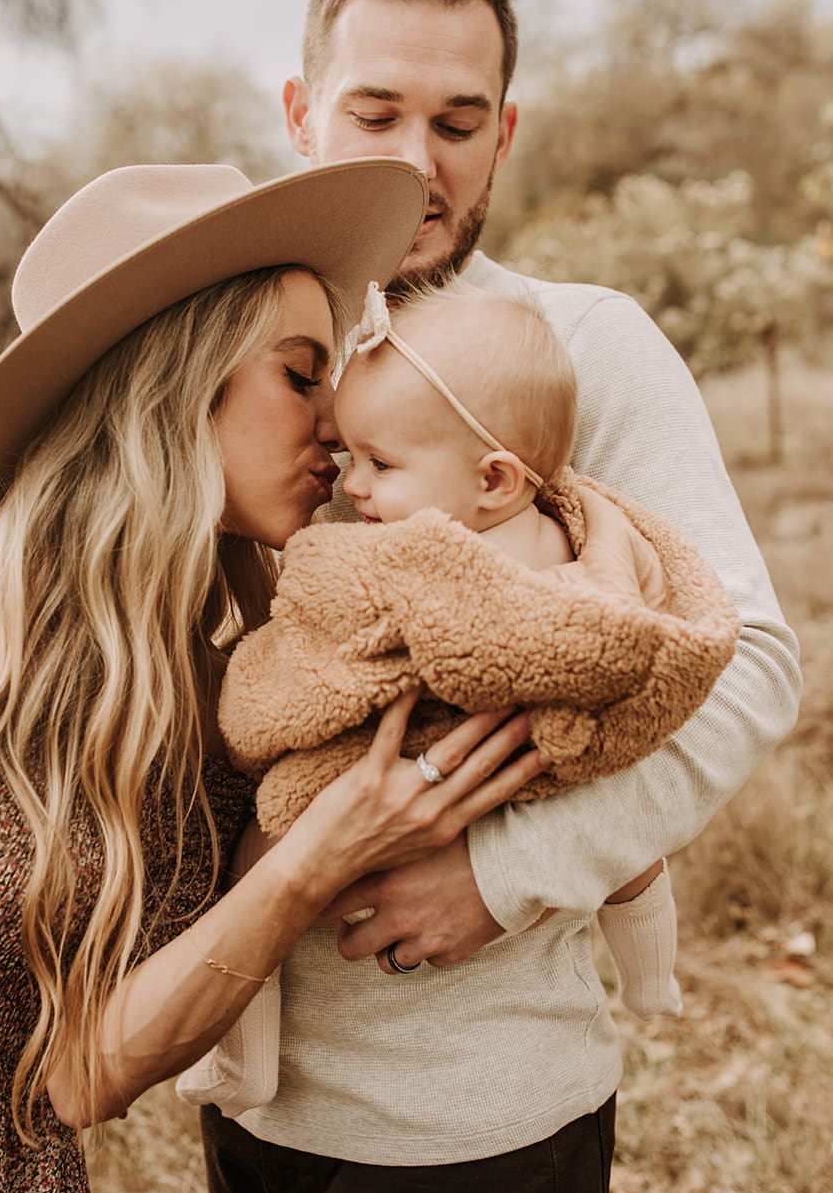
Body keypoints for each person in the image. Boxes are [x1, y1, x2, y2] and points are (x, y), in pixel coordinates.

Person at [0, 157, 550, 1193]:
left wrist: (305, 864)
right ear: (174, 374)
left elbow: (82, 1077)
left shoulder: (221, 718)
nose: (334, 424)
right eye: (298, 375)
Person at [198, 0, 802, 1193]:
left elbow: (752, 663)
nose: (416, 158)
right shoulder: (236, 347)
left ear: (504, 131)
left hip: (471, 1123)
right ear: (298, 114)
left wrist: (504, 869)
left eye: (455, 122)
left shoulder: (574, 349)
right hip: (250, 1087)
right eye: (373, 113)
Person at [178, 281, 741, 1118]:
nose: (350, 481)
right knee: (633, 856)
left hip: (445, 770)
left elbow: (345, 646)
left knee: (260, 856)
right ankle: (652, 976)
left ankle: (241, 1059)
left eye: (378, 465)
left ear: (492, 476)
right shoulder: (581, 526)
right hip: (546, 744)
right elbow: (628, 608)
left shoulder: (424, 556)